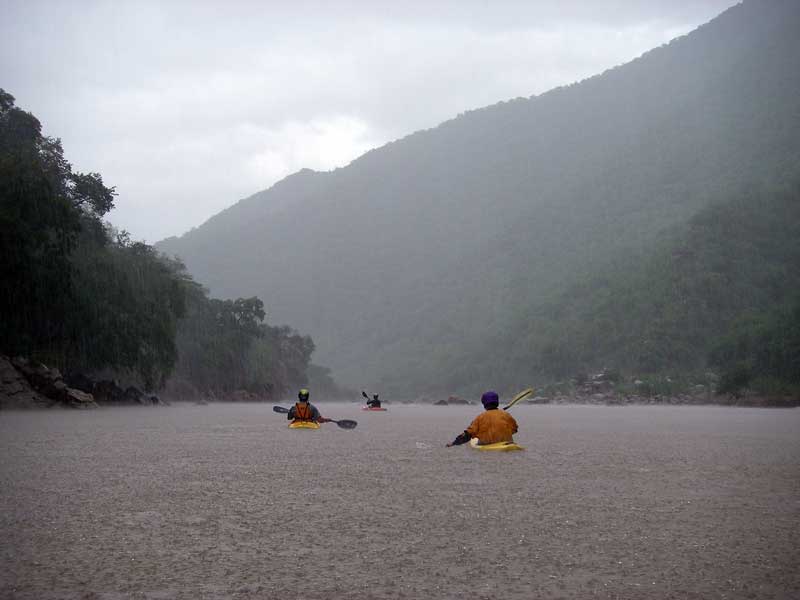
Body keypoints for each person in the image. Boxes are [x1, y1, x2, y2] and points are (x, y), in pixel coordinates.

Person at [446, 391, 518, 447]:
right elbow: (515, 429)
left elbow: (468, 434)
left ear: (484, 404)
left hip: (486, 445)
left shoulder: (480, 417)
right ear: (497, 403)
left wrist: (454, 443)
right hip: (507, 443)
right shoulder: (506, 415)